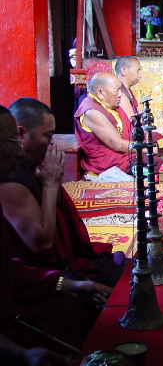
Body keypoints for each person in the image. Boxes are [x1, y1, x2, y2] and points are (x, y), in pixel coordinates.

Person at [0, 105, 111, 358]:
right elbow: (41, 244)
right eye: (10, 141)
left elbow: (11, 269)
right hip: (16, 312)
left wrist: (70, 285)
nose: (17, 150)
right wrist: (19, 354)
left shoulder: (29, 170)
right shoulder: (10, 185)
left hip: (40, 278)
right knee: (78, 312)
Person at [0, 98, 128, 287]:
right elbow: (41, 244)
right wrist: (51, 185)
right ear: (20, 134)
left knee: (130, 269)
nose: (53, 144)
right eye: (47, 136)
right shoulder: (11, 183)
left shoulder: (33, 169)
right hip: (45, 277)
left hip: (63, 267)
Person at [74, 72, 133, 175]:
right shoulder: (92, 112)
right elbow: (117, 145)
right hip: (108, 161)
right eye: (117, 90)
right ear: (100, 93)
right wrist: (147, 149)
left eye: (120, 89)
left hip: (121, 153)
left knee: (157, 141)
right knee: (156, 163)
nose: (120, 94)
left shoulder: (108, 105)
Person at [114, 56, 141, 120]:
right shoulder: (120, 94)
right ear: (123, 70)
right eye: (137, 71)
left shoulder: (127, 90)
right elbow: (132, 122)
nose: (140, 75)